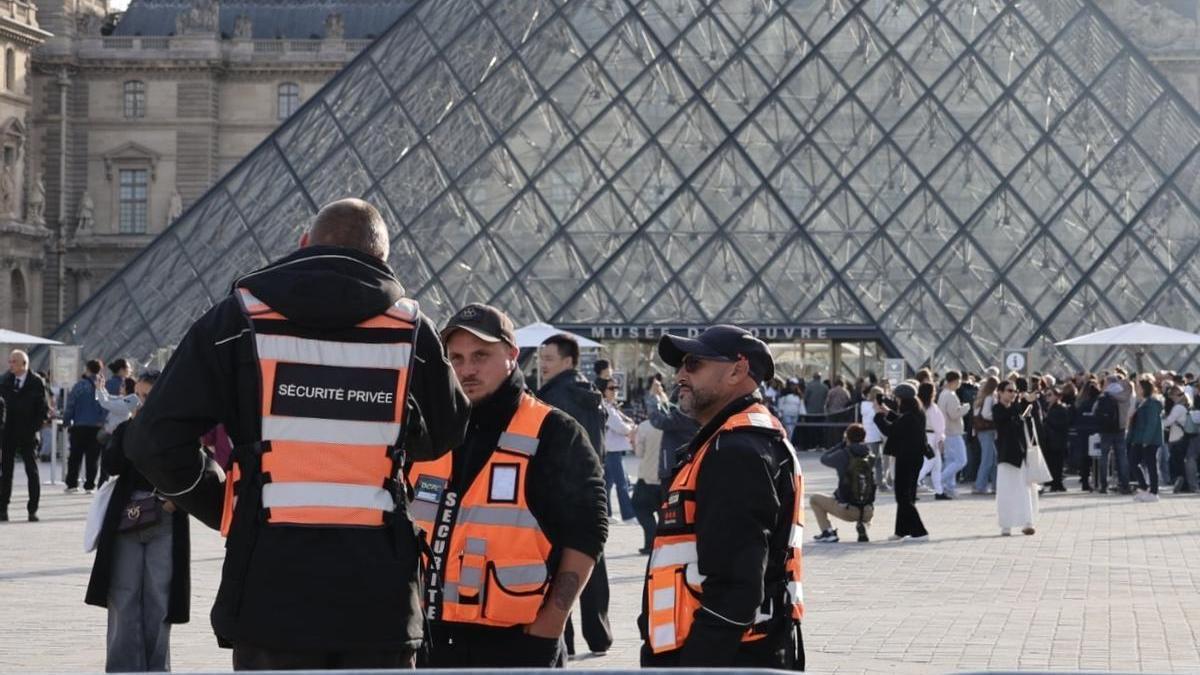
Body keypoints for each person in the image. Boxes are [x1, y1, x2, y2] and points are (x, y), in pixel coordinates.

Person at [126, 198, 470, 670]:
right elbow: (446, 432)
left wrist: (226, 505)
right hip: (378, 593)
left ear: (304, 244)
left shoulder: (238, 319)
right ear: (382, 259)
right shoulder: (411, 330)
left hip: (269, 583)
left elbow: (152, 439)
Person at [407, 304, 606, 668]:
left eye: (481, 355)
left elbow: (588, 533)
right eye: (457, 357)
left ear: (512, 355)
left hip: (517, 643)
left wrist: (552, 623)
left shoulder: (554, 431)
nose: (467, 369)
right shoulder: (431, 431)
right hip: (431, 642)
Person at [640, 325, 803, 668]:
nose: (681, 374)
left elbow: (736, 588)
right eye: (681, 364)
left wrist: (697, 666)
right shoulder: (736, 441)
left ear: (737, 370)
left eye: (694, 363)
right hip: (736, 651)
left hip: (721, 657)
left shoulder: (735, 451)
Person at [86, 372, 191, 673]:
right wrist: (132, 428)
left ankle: (157, 668)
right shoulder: (128, 428)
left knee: (159, 598)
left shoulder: (180, 430)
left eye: (150, 396)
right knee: (123, 595)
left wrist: (174, 504)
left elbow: (197, 469)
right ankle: (122, 668)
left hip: (165, 518)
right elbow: (110, 465)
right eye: (140, 396)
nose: (144, 402)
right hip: (126, 518)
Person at [537, 333, 612, 657]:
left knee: (559, 570)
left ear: (567, 361)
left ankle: (562, 639)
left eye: (548, 359)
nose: (542, 366)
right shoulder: (591, 394)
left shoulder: (554, 397)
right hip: (590, 489)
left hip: (560, 491)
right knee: (592, 564)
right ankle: (600, 635)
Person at [874, 382, 929, 541]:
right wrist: (887, 411)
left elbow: (890, 430)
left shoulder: (909, 417)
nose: (896, 401)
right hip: (914, 458)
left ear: (902, 399)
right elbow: (901, 421)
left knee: (903, 496)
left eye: (897, 398)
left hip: (907, 458)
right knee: (907, 495)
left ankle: (920, 532)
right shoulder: (917, 412)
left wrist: (878, 415)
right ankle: (901, 530)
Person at [0, 350, 48, 522]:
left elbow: (43, 409)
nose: (10, 364)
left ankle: (32, 509)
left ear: (23, 364)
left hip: (28, 433)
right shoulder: (5, 381)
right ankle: (3, 508)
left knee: (31, 471)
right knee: (6, 472)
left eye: (13, 362)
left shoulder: (36, 382)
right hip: (8, 433)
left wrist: (33, 428)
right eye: (10, 361)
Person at [810, 423, 875, 543]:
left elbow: (824, 458)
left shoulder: (844, 454)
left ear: (847, 437)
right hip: (868, 511)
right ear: (864, 438)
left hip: (848, 511)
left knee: (814, 499)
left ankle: (828, 532)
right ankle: (863, 525)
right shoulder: (870, 455)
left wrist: (842, 445)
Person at [993, 381, 1038, 536]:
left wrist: (1028, 403)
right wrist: (1022, 402)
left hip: (1021, 455)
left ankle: (1028, 522)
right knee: (1006, 491)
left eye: (1014, 391)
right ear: (1000, 392)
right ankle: (1006, 525)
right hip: (1006, 456)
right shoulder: (998, 409)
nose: (1012, 393)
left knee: (1025, 490)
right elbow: (1006, 421)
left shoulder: (1017, 408)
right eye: (1009, 390)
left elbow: (1030, 423)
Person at [64, 359, 108, 494]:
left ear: (87, 369)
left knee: (75, 456)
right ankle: (89, 485)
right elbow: (106, 406)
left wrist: (67, 420)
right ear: (100, 370)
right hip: (96, 427)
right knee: (93, 458)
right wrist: (101, 420)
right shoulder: (101, 387)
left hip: (79, 426)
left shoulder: (79, 386)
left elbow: (71, 405)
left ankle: (72, 484)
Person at [599, 377, 636, 522]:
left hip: (613, 449)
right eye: (611, 388)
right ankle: (629, 515)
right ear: (603, 391)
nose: (615, 391)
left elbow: (625, 422)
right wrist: (631, 430)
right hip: (612, 450)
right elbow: (620, 427)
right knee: (622, 484)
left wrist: (629, 427)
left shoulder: (611, 406)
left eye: (616, 388)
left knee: (607, 484)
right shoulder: (606, 407)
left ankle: (606, 514)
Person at [1128, 379, 1165, 503]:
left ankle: (1153, 491)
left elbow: (1152, 423)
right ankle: (1144, 487)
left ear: (1144, 389)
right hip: (1139, 438)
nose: (1136, 389)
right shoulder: (1141, 403)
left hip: (1149, 439)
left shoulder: (1152, 404)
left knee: (1151, 465)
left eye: (1138, 387)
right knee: (1133, 462)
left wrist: (1146, 440)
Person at [1095, 375, 1132, 494]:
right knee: (1122, 457)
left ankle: (1103, 485)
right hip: (1121, 429)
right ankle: (1124, 484)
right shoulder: (1125, 395)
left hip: (1106, 430)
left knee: (1104, 457)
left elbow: (1095, 410)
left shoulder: (1105, 394)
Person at [632, 417, 663, 555]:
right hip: (668, 478)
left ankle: (651, 542)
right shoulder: (678, 424)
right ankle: (661, 542)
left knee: (640, 508)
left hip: (647, 477)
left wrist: (634, 441)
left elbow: (639, 453)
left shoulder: (645, 426)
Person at [937, 372, 968, 498]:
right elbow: (954, 414)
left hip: (945, 431)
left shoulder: (943, 394)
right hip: (953, 431)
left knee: (950, 460)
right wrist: (965, 408)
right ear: (955, 381)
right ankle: (939, 480)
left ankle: (949, 487)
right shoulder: (951, 395)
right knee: (961, 460)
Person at [917, 382, 945, 499]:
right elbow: (939, 426)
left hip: (924, 435)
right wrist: (941, 440)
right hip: (932, 437)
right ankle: (911, 485)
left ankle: (939, 491)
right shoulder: (932, 407)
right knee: (930, 464)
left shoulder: (920, 406)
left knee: (936, 466)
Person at [972, 376, 1000, 495]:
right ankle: (980, 486)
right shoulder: (990, 397)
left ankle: (996, 485)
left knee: (992, 459)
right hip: (988, 430)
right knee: (988, 460)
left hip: (981, 430)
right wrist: (997, 418)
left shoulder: (981, 397)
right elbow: (986, 414)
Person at [1040, 387, 1071, 492]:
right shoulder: (1049, 408)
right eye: (1046, 395)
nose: (1047, 397)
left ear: (1057, 396)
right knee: (1052, 462)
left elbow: (1061, 424)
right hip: (1050, 439)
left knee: (1057, 463)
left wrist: (1047, 419)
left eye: (1050, 395)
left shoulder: (1060, 409)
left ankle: (1057, 483)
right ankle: (1055, 483)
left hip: (1057, 439)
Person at [861, 386, 888, 491]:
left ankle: (872, 483)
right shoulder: (873, 408)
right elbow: (878, 418)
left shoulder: (865, 406)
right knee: (876, 463)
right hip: (874, 437)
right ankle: (879, 484)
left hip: (869, 436)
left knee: (873, 462)